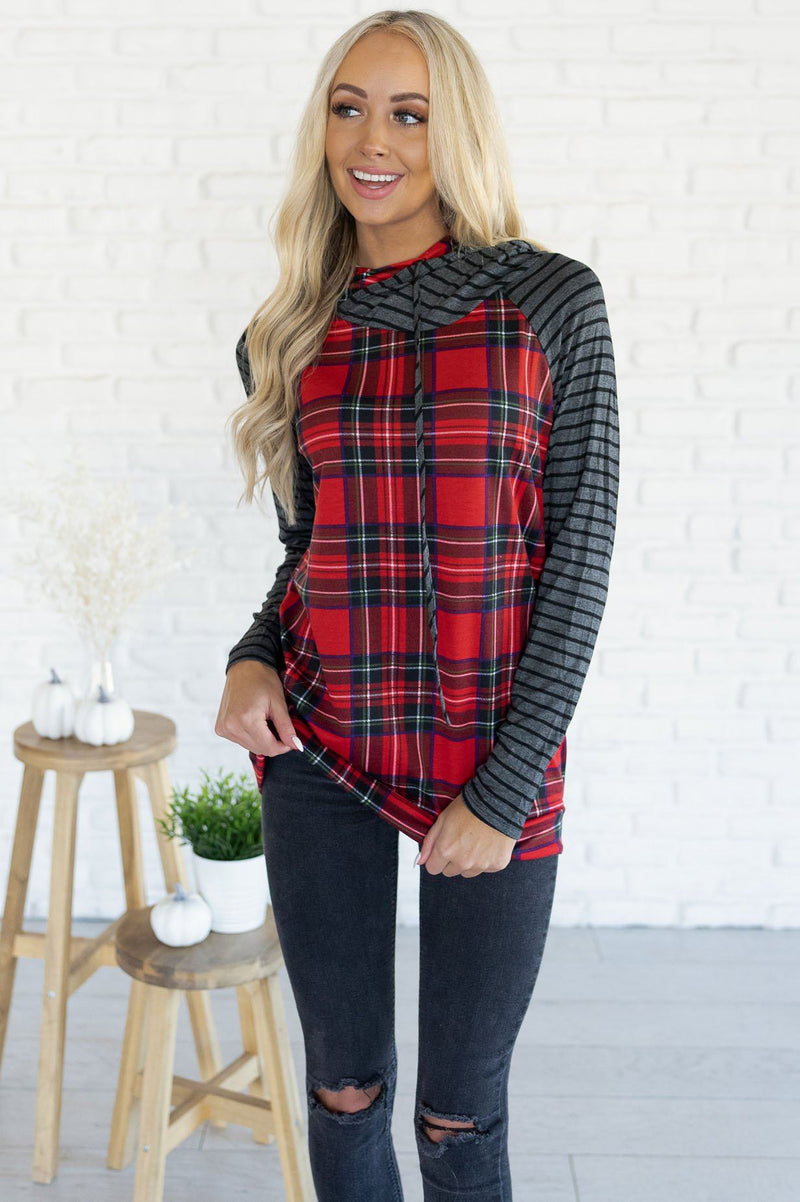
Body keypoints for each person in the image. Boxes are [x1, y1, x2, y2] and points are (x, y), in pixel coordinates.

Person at [216, 10, 619, 1200]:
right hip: (321, 745)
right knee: (343, 1089)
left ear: (458, 132)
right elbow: (308, 551)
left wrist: (502, 789)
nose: (370, 141)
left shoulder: (551, 303)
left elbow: (577, 564)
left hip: (490, 753)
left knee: (457, 1114)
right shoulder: (286, 333)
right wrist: (251, 656)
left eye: (408, 113)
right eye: (347, 109)